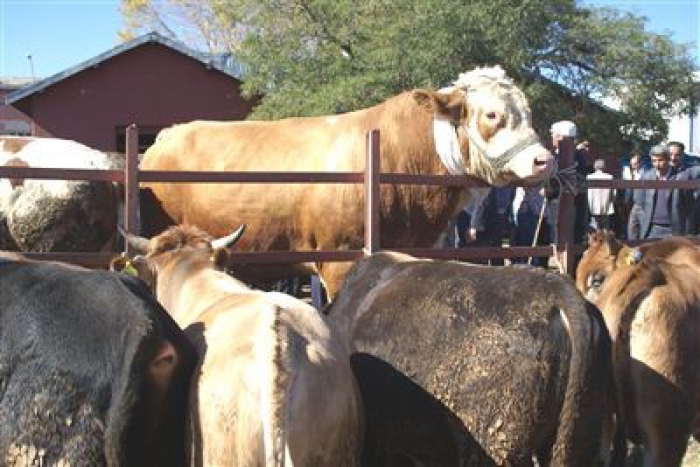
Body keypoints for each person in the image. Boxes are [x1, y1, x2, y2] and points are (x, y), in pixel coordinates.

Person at [544, 120, 589, 245]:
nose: (551, 137)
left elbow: (574, 180)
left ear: (560, 137)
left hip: (569, 203)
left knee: (571, 234)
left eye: (553, 134)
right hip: (559, 202)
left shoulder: (578, 157)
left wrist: (551, 188)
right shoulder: (555, 156)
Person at [632, 144, 687, 239]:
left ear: (668, 159)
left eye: (660, 160)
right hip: (651, 229)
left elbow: (688, 205)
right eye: (654, 161)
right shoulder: (646, 177)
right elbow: (638, 205)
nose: (657, 164)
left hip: (673, 230)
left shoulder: (680, 177)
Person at [623, 152, 647, 240]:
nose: (633, 166)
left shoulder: (645, 174)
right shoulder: (628, 173)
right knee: (631, 228)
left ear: (640, 163)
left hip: (641, 204)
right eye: (631, 164)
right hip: (629, 203)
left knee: (641, 227)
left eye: (635, 164)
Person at [587, 159, 615, 230]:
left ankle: (595, 240)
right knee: (605, 227)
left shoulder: (589, 177)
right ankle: (605, 240)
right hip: (606, 206)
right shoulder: (610, 177)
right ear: (604, 167)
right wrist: (613, 202)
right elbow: (614, 194)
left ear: (594, 167)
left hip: (593, 206)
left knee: (595, 227)